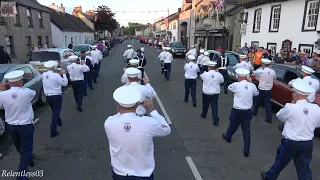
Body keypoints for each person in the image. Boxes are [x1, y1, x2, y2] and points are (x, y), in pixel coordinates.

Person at [104, 86, 171, 180]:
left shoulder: (109, 123)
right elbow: (166, 129)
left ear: (118, 107)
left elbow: (119, 115)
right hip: (144, 175)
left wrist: (129, 105)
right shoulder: (148, 122)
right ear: (136, 106)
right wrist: (152, 110)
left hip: (120, 174)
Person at [261, 80, 320, 180]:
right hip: (307, 143)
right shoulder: (316, 108)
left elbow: (280, 116)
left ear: (296, 95)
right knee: (304, 169)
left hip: (291, 142)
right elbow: (317, 124)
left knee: (280, 162)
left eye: (293, 92)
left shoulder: (291, 107)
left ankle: (270, 177)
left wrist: (291, 104)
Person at [0, 70, 36, 179]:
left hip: (11, 125)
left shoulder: (2, 95)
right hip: (25, 125)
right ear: (20, 81)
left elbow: (1, 107)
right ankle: (21, 176)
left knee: (20, 147)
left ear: (8, 83)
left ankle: (29, 159)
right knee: (26, 149)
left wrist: (3, 91)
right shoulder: (27, 92)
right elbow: (32, 94)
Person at [222, 68, 259, 157]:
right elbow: (256, 94)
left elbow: (229, 88)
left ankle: (228, 136)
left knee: (233, 124)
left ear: (238, 77)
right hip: (248, 111)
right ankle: (246, 149)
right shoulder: (252, 86)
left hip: (237, 110)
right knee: (246, 130)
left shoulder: (236, 85)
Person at [42, 61, 68, 137]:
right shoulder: (56, 75)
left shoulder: (43, 75)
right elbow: (65, 83)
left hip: (48, 96)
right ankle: (53, 129)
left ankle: (59, 121)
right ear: (54, 67)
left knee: (54, 110)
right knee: (56, 111)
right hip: (56, 95)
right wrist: (64, 74)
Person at [252, 59, 276, 123]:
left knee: (257, 101)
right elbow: (274, 78)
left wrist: (258, 78)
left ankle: (254, 112)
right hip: (268, 89)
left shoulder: (261, 71)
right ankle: (269, 118)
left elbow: (254, 73)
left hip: (261, 88)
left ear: (263, 64)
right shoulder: (273, 71)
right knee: (267, 104)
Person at [200, 61, 224, 126]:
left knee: (205, 104)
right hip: (215, 93)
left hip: (206, 92)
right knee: (214, 107)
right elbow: (222, 81)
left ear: (208, 67)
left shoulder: (205, 74)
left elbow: (201, 77)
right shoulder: (218, 75)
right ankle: (215, 120)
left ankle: (204, 114)